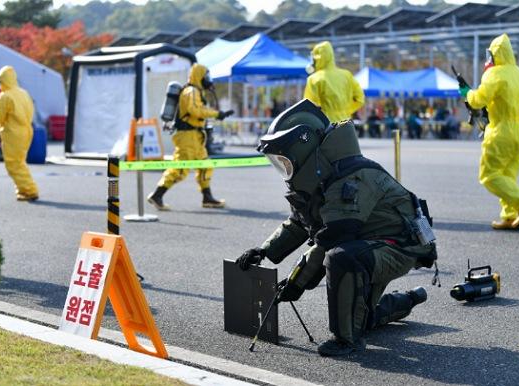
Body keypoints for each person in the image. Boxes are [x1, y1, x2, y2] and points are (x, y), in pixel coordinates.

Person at [235, 99, 437, 357]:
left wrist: (296, 283)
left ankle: (346, 341)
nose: (284, 169)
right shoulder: (324, 177)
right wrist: (263, 251)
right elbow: (299, 223)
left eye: (285, 161)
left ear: (304, 152)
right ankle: (409, 299)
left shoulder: (351, 178)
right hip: (370, 243)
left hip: (400, 246)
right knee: (360, 314)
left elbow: (331, 239)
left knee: (341, 258)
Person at [459, 34, 519, 230]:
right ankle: (509, 216)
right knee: (508, 177)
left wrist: (466, 93)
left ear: (494, 54)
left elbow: (478, 100)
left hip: (502, 132)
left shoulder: (494, 74)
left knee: (489, 175)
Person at [147, 63, 233, 211]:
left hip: (195, 136)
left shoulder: (196, 91)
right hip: (187, 136)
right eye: (206, 76)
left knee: (205, 166)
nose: (208, 80)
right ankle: (157, 195)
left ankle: (207, 198)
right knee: (180, 169)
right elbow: (195, 110)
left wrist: (217, 114)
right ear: (199, 76)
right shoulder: (191, 91)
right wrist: (217, 114)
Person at [0, 66, 38, 201]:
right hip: (26, 131)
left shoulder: (5, 96)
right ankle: (23, 190)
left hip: (13, 134)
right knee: (20, 162)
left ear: (2, 80)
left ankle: (30, 190)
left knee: (14, 164)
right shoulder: (23, 93)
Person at [304, 41, 365, 123]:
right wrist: (345, 111)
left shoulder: (314, 79)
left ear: (315, 58)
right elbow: (360, 99)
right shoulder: (347, 75)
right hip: (346, 125)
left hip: (325, 126)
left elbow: (308, 106)